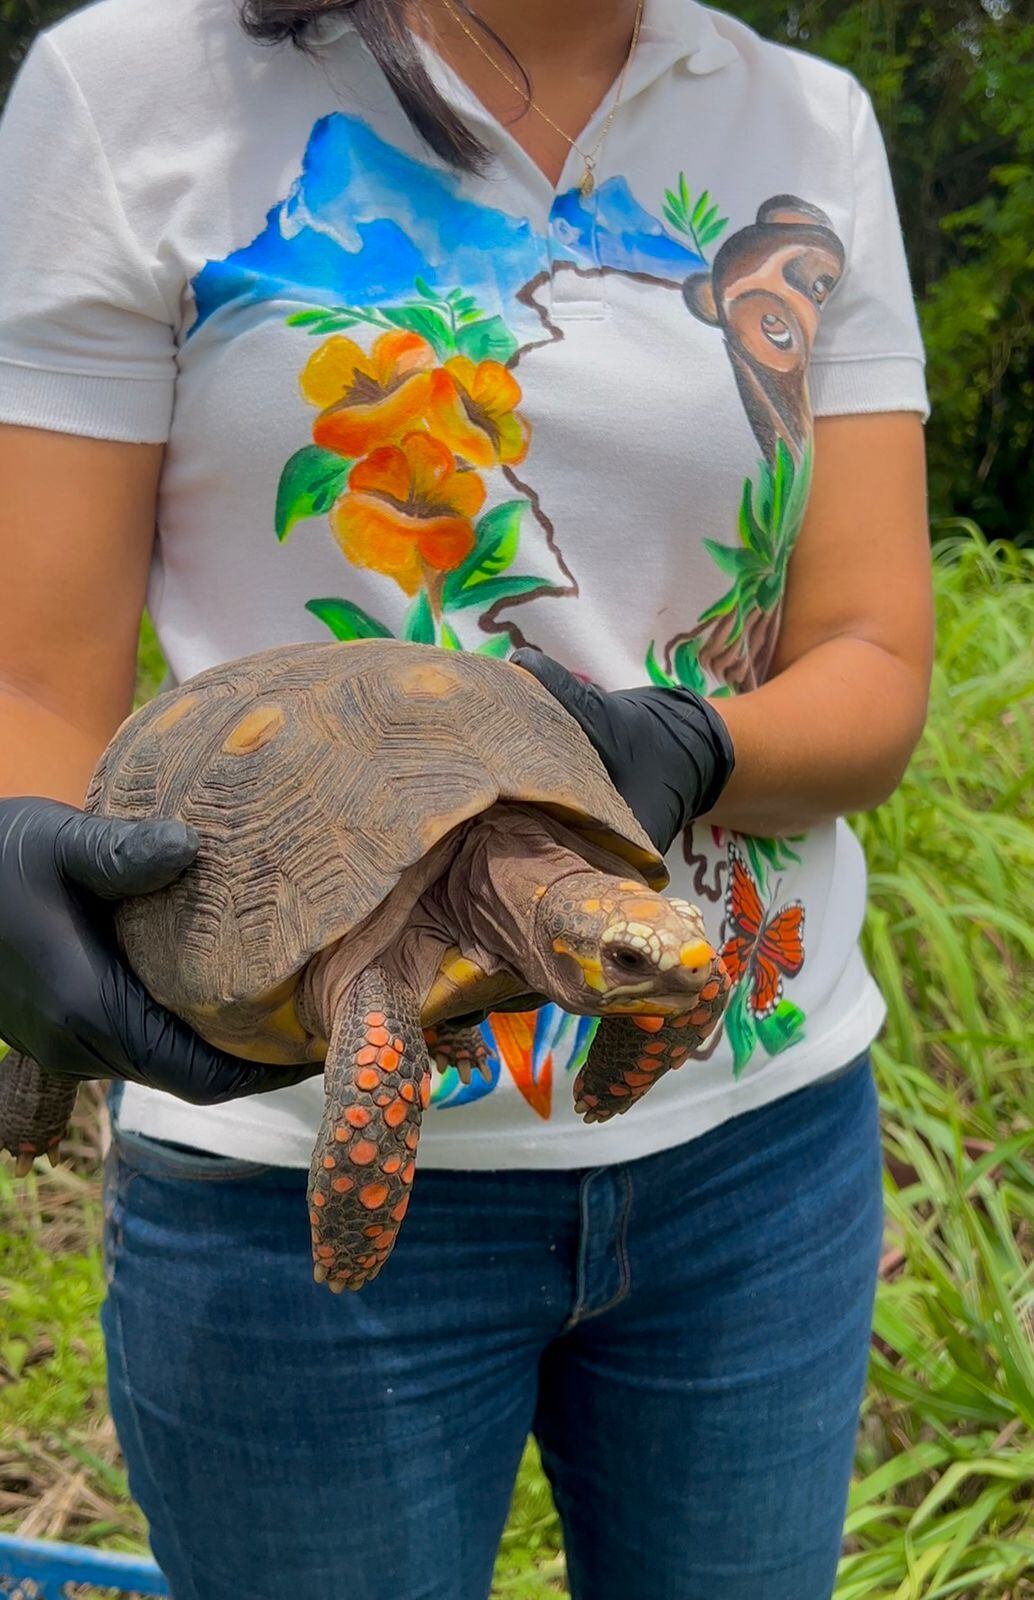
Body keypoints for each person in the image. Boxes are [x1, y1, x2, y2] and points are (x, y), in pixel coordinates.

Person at [0, 0, 933, 1594]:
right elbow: (33, 681)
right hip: (290, 1170)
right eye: (639, 965)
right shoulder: (129, 85)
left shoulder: (800, 119)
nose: (649, 965)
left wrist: (694, 745)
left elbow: (869, 654)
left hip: (759, 1161)